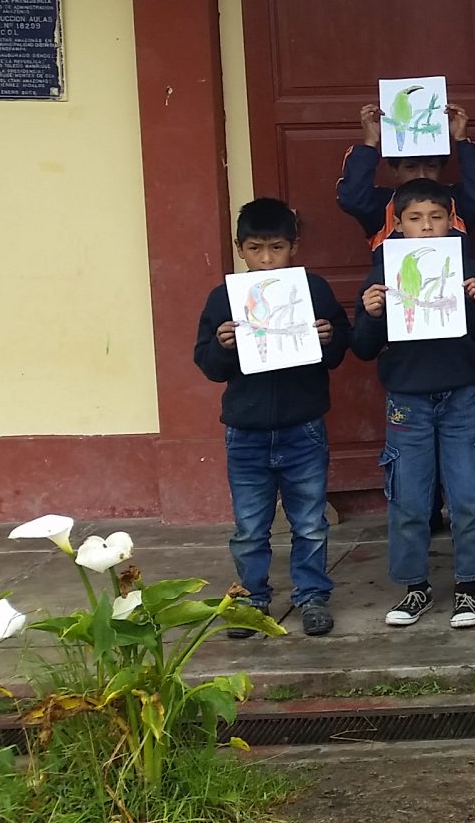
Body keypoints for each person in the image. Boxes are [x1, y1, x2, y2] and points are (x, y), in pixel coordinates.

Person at [194, 198, 351, 638]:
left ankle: (312, 595)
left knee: (309, 521)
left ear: (294, 247)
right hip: (245, 432)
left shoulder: (313, 290)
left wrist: (329, 336)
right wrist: (222, 345)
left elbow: (340, 350)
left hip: (303, 426)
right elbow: (207, 365)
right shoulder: (224, 297)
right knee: (249, 527)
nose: (267, 260)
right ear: (239, 247)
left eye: (277, 248)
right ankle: (251, 598)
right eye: (256, 248)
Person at [352, 179, 475, 630]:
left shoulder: (467, 265)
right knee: (410, 500)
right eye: (415, 219)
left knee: (469, 495)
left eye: (436, 218)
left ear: (451, 220)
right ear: (397, 225)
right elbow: (361, 347)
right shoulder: (382, 269)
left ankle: (468, 587)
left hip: (459, 396)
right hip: (407, 402)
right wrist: (372, 314)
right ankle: (415, 586)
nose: (426, 227)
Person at [337, 101, 475, 247]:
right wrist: (370, 142)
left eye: (431, 167)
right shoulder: (383, 205)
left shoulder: (456, 201)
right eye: (411, 167)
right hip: (393, 274)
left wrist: (461, 139)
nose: (421, 175)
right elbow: (352, 197)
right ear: (395, 170)